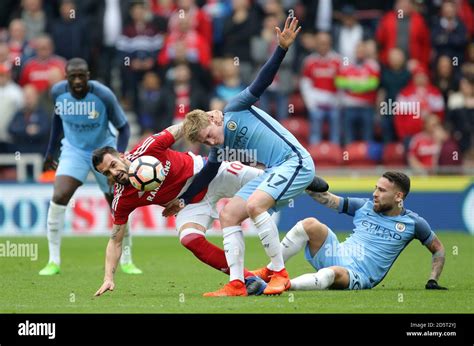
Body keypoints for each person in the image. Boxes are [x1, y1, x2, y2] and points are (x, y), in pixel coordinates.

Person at [163, 17, 315, 297]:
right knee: (228, 213)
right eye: (205, 142)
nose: (211, 142)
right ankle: (236, 284)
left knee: (255, 205)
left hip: (295, 161)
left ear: (213, 117)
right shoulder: (219, 146)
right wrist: (183, 200)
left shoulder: (235, 108)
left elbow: (262, 81)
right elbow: (208, 173)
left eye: (209, 135)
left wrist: (281, 50)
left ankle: (280, 275)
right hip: (274, 171)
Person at [91, 124, 264, 297]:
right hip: (186, 204)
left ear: (122, 156)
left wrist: (209, 118)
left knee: (268, 182)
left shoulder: (149, 147)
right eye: (107, 173)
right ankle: (249, 279)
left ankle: (278, 270)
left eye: (113, 164)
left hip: (208, 173)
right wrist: (108, 277)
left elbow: (186, 126)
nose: (114, 173)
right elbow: (115, 241)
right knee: (189, 238)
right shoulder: (122, 198)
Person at [252, 172, 447, 291]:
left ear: (398, 196)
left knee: (332, 273)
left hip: (359, 275)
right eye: (375, 188)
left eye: (381, 190)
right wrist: (304, 182)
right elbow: (327, 199)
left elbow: (438, 249)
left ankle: (281, 286)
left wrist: (432, 279)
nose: (375, 194)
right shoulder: (365, 206)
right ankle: (271, 270)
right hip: (337, 253)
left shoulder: (413, 223)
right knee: (310, 224)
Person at [39, 58, 142, 276]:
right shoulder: (57, 92)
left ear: (88, 76)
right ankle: (53, 261)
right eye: (72, 76)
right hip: (73, 151)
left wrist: (119, 155)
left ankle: (127, 259)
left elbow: (123, 128)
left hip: (104, 153)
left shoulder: (103, 95)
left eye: (81, 75)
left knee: (118, 204)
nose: (77, 80)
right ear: (65, 77)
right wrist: (50, 152)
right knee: (59, 196)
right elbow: (57, 120)